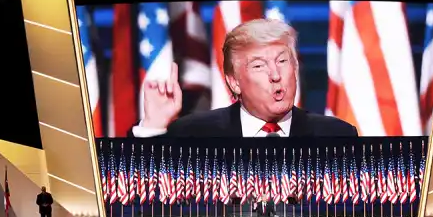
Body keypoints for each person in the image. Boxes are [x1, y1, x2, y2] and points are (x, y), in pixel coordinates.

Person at [133, 19, 358, 138]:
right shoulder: (194, 134)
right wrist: (154, 126)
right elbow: (148, 199)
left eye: (282, 61)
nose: (275, 75)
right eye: (259, 66)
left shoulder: (337, 136)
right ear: (234, 82)